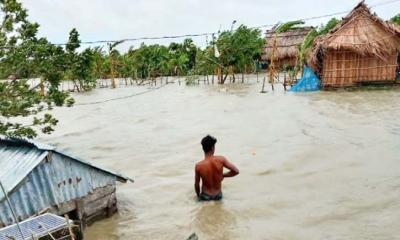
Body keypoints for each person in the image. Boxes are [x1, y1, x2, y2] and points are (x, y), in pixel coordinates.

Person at [194, 135, 239, 201]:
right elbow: (236, 171)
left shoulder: (198, 166)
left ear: (203, 148)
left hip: (205, 196)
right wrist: (223, 175)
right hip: (218, 195)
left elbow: (196, 184)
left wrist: (198, 196)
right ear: (212, 148)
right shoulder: (221, 160)